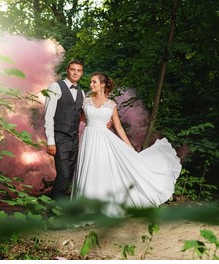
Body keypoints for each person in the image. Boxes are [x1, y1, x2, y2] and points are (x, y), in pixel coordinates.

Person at [71, 72, 182, 216]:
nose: (91, 84)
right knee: (88, 167)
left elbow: (119, 127)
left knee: (101, 170)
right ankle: (85, 207)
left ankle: (102, 207)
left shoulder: (111, 105)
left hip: (104, 140)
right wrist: (95, 122)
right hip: (88, 138)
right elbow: (82, 119)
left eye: (94, 82)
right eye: (91, 82)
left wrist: (129, 147)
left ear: (102, 85)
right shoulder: (86, 101)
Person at [44, 59, 85, 200]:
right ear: (67, 70)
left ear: (82, 73)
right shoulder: (55, 87)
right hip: (60, 137)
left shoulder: (82, 93)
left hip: (74, 139)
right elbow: (49, 116)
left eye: (79, 70)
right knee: (64, 174)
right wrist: (50, 140)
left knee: (70, 174)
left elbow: (80, 116)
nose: (75, 72)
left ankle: (59, 209)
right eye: (73, 69)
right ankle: (52, 212)